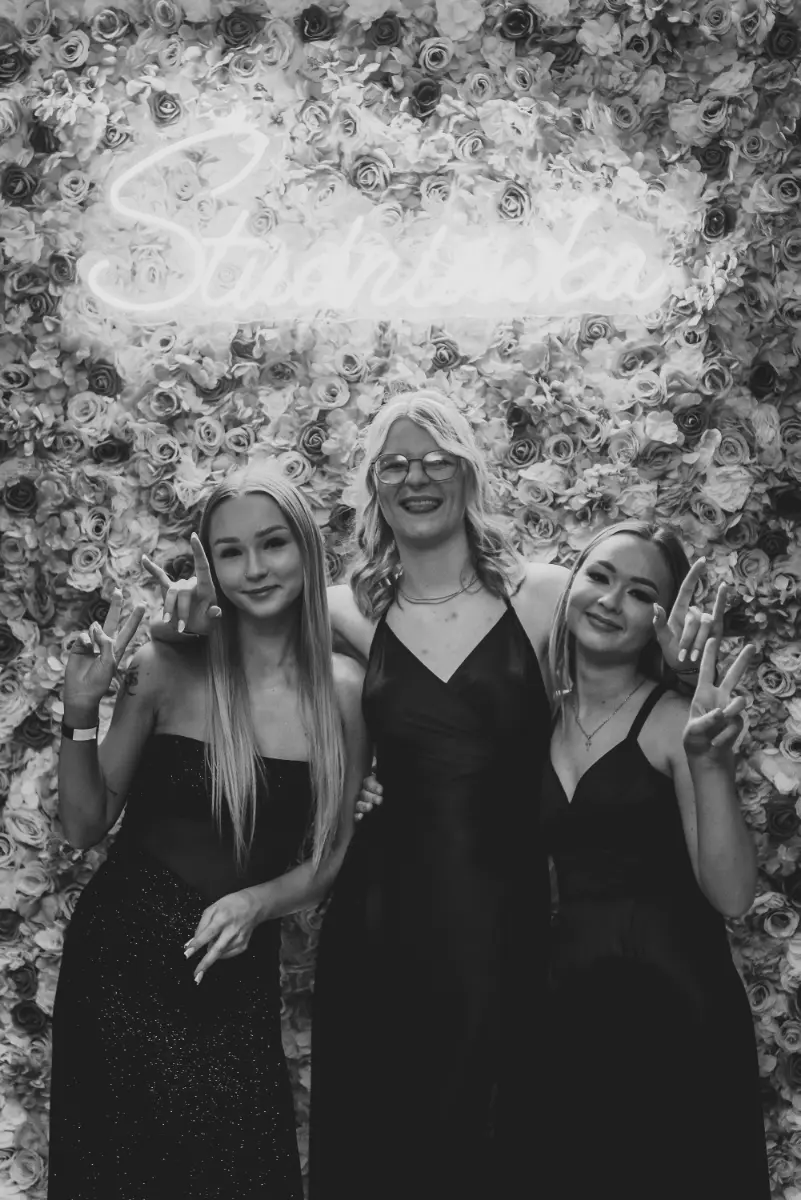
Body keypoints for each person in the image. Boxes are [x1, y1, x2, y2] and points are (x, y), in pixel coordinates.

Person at [146, 391, 725, 1200]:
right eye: (394, 465)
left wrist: (685, 666)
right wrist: (178, 628)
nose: (415, 478)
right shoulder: (341, 609)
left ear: (468, 473)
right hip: (380, 911)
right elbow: (244, 660)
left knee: (496, 1136)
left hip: (505, 911)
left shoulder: (545, 594)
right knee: (383, 1137)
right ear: (373, 485)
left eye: (435, 460)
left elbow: (624, 659)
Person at [49, 469, 369, 1200]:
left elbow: (330, 857)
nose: (254, 568)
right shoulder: (162, 668)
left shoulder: (345, 692)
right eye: (230, 552)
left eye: (273, 543)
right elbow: (83, 825)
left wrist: (257, 903)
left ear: (308, 549)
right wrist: (80, 710)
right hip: (117, 969)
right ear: (209, 565)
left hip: (230, 975)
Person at [540, 521, 768, 1199]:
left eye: (641, 593)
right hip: (570, 1015)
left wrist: (709, 763)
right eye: (600, 576)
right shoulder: (531, 720)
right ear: (570, 587)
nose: (612, 601)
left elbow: (731, 895)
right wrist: (375, 789)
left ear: (663, 621)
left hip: (675, 1014)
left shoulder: (674, 722)